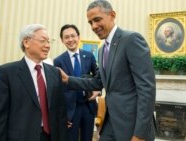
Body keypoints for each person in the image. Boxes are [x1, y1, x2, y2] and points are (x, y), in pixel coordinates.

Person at [59, 0, 156, 141]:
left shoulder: (131, 39)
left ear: (112, 15)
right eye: (90, 22)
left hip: (132, 125)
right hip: (110, 122)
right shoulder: (101, 50)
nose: (94, 26)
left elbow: (147, 89)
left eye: (97, 20)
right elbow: (98, 82)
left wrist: (140, 134)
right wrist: (68, 80)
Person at [0, 24, 68, 141]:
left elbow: (61, 112)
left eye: (49, 41)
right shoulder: (6, 73)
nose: (48, 45)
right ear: (26, 42)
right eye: (43, 41)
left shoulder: (55, 73)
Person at [54, 24, 100, 141]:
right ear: (62, 40)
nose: (70, 40)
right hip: (70, 109)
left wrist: (98, 91)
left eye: (73, 36)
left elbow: (98, 78)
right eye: (66, 37)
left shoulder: (89, 56)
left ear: (78, 37)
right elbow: (57, 90)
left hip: (88, 106)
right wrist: (61, 115)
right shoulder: (58, 61)